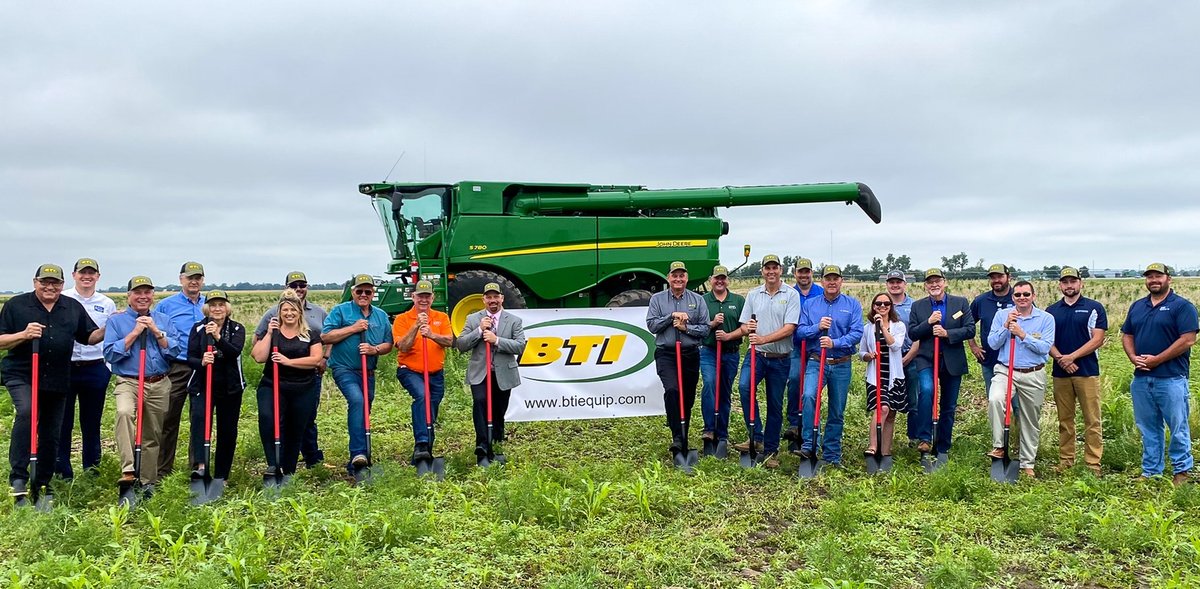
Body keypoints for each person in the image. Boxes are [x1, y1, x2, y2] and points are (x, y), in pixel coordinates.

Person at [0, 264, 104, 503]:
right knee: (27, 412)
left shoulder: (72, 307)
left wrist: (114, 327)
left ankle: (44, 482)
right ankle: (18, 477)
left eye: (55, 283)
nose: (50, 287)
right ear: (35, 282)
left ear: (61, 284)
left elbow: (89, 337)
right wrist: (23, 335)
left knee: (51, 430)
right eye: (44, 282)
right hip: (22, 374)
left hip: (58, 377)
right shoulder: (16, 305)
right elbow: (1, 340)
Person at [1121, 263, 1198, 485]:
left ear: (1168, 279)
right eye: (1150, 277)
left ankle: (1181, 471)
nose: (1154, 280)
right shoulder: (1138, 306)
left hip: (1171, 378)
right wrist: (1133, 357)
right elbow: (1127, 334)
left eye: (1158, 276)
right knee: (1148, 427)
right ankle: (1151, 471)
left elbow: (1188, 339)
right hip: (1142, 379)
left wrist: (1157, 360)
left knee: (1177, 426)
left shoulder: (1182, 307)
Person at [103, 276, 178, 491]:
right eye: (138, 292)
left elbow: (174, 350)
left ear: (153, 295)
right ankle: (128, 471)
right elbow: (110, 354)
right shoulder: (116, 321)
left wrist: (156, 331)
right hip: (129, 381)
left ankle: (147, 481)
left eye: (147, 292)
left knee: (152, 433)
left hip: (158, 382)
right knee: (125, 413)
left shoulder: (163, 319)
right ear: (129, 296)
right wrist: (135, 333)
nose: (143, 297)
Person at [730, 255, 800, 468]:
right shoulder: (753, 294)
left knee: (775, 405)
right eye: (767, 268)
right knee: (744, 387)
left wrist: (763, 338)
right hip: (756, 355)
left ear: (780, 270)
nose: (771, 271)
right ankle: (756, 437)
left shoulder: (791, 295)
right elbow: (744, 326)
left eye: (774, 268)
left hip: (780, 359)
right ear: (762, 271)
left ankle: (771, 451)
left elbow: (790, 328)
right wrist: (747, 330)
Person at [254, 271, 328, 468]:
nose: (289, 313)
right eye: (285, 310)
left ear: (300, 312)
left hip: (303, 386)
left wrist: (288, 362)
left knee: (298, 427)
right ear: (279, 312)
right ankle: (273, 464)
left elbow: (316, 359)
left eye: (293, 310)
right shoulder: (274, 330)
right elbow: (259, 357)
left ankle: (289, 469)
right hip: (273, 384)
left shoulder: (310, 333)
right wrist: (270, 333)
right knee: (269, 420)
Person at [322, 274, 393, 473]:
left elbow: (389, 344)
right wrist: (353, 328)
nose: (363, 294)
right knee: (357, 401)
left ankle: (359, 457)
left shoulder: (380, 315)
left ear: (373, 293)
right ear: (353, 292)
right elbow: (326, 336)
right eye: (359, 291)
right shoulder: (340, 311)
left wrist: (375, 350)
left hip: (368, 371)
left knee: (364, 409)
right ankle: (358, 453)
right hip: (344, 369)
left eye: (367, 291)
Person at [794, 265, 863, 466]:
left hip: (841, 363)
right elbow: (800, 331)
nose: (832, 282)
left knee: (836, 409)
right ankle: (809, 444)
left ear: (841, 281)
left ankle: (832, 453)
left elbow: (857, 332)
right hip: (816, 361)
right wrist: (817, 328)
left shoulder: (852, 305)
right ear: (822, 281)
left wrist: (836, 342)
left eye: (836, 278)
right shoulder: (811, 305)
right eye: (828, 278)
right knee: (808, 396)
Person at [986, 280, 1055, 478]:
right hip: (1006, 370)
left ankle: (1027, 463)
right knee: (996, 399)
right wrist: (1006, 327)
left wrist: (1022, 334)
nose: (1022, 298)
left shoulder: (1046, 318)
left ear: (1033, 296)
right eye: (1018, 295)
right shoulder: (1002, 315)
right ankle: (999, 446)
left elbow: (1044, 348)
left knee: (1029, 419)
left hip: (1033, 373)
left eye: (1026, 294)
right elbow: (992, 343)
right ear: (1013, 297)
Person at [56, 258, 116, 479]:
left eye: (91, 273)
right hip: (67, 367)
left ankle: (92, 470)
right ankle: (62, 471)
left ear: (98, 277)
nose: (87, 277)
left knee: (92, 422)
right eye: (82, 273)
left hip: (95, 368)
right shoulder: (63, 300)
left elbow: (110, 335)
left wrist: (107, 367)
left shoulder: (107, 303)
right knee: (63, 421)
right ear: (74, 275)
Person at [645, 262, 710, 458]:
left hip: (689, 354)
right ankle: (677, 437)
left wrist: (685, 328)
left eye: (682, 276)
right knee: (672, 390)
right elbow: (652, 325)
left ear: (687, 278)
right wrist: (671, 316)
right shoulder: (657, 299)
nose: (678, 279)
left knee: (687, 398)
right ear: (668, 278)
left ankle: (684, 437)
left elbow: (705, 329)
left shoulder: (697, 300)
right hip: (667, 354)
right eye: (675, 276)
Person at [456, 282, 527, 461]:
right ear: (484, 300)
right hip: (480, 373)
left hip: (503, 373)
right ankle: (481, 444)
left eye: (496, 297)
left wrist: (496, 340)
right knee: (480, 402)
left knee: (498, 409)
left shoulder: (514, 321)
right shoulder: (473, 319)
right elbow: (461, 344)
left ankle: (496, 443)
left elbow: (520, 346)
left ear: (502, 298)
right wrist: (479, 330)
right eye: (489, 297)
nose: (493, 300)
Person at [1046, 267, 1108, 475]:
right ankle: (1066, 460)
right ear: (1060, 285)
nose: (1069, 286)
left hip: (1087, 371)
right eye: (1065, 282)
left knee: (1092, 419)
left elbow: (1098, 339)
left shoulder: (1094, 307)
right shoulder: (1052, 310)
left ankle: (1093, 463)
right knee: (1065, 420)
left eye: (1073, 281)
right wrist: (1061, 359)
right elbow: (1047, 341)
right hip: (1060, 373)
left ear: (1081, 283)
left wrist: (1072, 357)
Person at [908, 268, 975, 459]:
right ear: (925, 286)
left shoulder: (960, 303)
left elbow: (970, 329)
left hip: (952, 359)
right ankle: (925, 438)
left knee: (948, 404)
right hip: (927, 358)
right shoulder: (918, 306)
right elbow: (913, 333)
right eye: (930, 282)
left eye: (937, 281)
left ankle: (943, 444)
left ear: (944, 282)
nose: (934, 285)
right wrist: (928, 323)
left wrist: (947, 334)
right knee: (927, 391)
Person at [186, 290, 246, 483]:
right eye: (213, 305)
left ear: (227, 308)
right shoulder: (197, 328)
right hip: (203, 384)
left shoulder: (237, 329)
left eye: (221, 305)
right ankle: (201, 466)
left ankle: (222, 474)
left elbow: (234, 352)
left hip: (229, 386)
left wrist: (218, 338)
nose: (217, 309)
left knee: (227, 429)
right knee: (199, 421)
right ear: (207, 308)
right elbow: (190, 357)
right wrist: (202, 361)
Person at [392, 280, 455, 462]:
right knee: (422, 397)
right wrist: (416, 326)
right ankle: (421, 443)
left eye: (427, 296)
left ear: (433, 297)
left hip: (435, 372)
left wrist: (432, 334)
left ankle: (426, 449)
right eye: (420, 296)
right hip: (410, 371)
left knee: (431, 408)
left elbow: (450, 341)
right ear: (413, 297)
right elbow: (402, 346)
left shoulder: (441, 317)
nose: (424, 300)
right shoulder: (402, 319)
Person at [155, 261, 207, 480]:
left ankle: (198, 465)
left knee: (200, 417)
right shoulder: (167, 306)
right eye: (189, 277)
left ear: (202, 280)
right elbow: (156, 333)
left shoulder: (210, 303)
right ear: (181, 279)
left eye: (198, 277)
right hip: (177, 366)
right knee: (168, 418)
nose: (193, 281)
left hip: (204, 367)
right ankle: (162, 470)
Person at [859, 292, 908, 458]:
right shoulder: (868, 328)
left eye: (886, 304)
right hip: (876, 375)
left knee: (891, 414)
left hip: (894, 376)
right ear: (873, 307)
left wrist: (883, 328)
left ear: (890, 307)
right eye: (878, 304)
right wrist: (868, 356)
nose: (882, 306)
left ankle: (885, 452)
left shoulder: (899, 326)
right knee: (882, 408)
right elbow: (861, 352)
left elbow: (895, 346)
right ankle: (873, 446)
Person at [700, 265, 743, 448]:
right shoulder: (703, 300)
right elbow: (697, 328)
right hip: (709, 351)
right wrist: (712, 324)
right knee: (710, 384)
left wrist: (728, 336)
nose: (720, 281)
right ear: (711, 279)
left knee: (725, 391)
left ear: (728, 280)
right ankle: (709, 428)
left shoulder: (738, 300)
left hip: (730, 353)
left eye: (723, 278)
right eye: (716, 278)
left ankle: (722, 434)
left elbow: (745, 327)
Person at [784, 258, 824, 453]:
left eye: (807, 271)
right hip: (797, 346)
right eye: (800, 272)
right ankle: (794, 422)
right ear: (795, 273)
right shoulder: (791, 294)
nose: (804, 275)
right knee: (794, 380)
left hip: (816, 348)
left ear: (812, 273)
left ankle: (811, 424)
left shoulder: (821, 292)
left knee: (811, 390)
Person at [883, 270, 922, 445]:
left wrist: (908, 357)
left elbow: (919, 335)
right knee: (887, 400)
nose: (895, 285)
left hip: (910, 357)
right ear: (887, 285)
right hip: (888, 360)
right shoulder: (882, 305)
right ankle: (884, 438)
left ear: (905, 284)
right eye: (891, 282)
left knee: (915, 399)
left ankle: (914, 437)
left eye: (898, 282)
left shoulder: (915, 306)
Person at [969, 263, 1014, 393]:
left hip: (1015, 361)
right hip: (990, 360)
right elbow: (969, 324)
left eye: (1000, 276)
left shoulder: (1019, 297)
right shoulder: (981, 301)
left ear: (1009, 277)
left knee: (1017, 404)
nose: (996, 280)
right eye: (993, 277)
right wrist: (973, 346)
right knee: (995, 400)